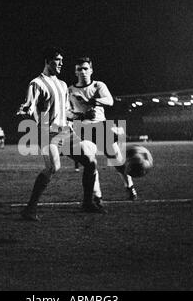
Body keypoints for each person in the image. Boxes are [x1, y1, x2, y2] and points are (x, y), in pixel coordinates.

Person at [17, 47, 105, 221]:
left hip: (66, 132)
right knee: (53, 168)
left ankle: (87, 203)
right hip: (47, 133)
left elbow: (66, 112)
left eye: (62, 60)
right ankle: (30, 209)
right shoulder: (37, 83)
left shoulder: (63, 84)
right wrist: (25, 110)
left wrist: (82, 115)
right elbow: (29, 106)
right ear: (47, 61)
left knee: (90, 161)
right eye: (57, 60)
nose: (61, 63)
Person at [69, 57, 138, 203]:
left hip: (101, 127)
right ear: (75, 72)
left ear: (91, 70)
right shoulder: (69, 90)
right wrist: (80, 115)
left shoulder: (98, 85)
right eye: (79, 69)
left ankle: (129, 186)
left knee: (118, 162)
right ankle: (97, 197)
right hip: (82, 129)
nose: (83, 72)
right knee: (91, 163)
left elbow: (110, 100)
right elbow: (66, 112)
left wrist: (93, 101)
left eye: (86, 68)